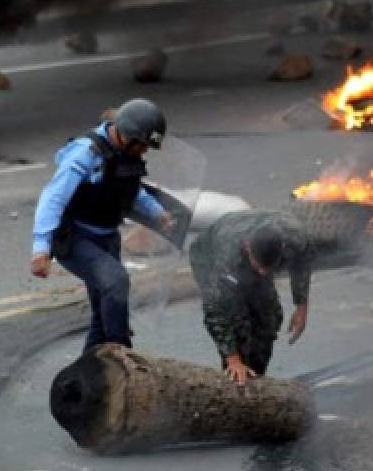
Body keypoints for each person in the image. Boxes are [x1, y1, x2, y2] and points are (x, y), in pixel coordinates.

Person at [31, 98, 175, 351]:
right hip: (76, 239)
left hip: (107, 239)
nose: (144, 152)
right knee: (115, 281)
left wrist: (157, 212)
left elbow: (130, 188)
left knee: (102, 318)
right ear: (127, 135)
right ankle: (123, 355)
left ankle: (86, 381)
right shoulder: (86, 154)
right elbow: (53, 198)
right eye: (142, 146)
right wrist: (41, 249)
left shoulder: (125, 151)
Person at [188, 210, 314, 385]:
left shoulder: (294, 236)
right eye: (260, 266)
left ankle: (257, 377)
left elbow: (303, 261)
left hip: (248, 255)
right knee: (238, 323)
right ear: (248, 248)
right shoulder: (227, 257)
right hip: (207, 257)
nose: (263, 272)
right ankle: (236, 381)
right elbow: (215, 310)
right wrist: (233, 359)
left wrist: (301, 307)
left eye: (268, 268)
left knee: (268, 320)